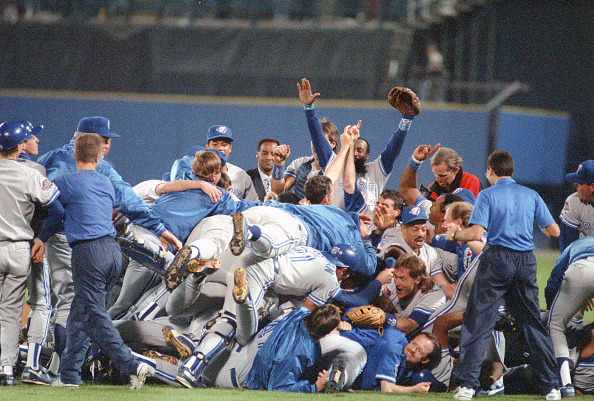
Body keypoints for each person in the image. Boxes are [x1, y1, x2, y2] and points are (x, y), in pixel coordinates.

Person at [37, 116, 181, 376]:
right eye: (105, 141)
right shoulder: (103, 172)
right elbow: (129, 200)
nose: (107, 146)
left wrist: (38, 236)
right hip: (104, 248)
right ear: (96, 145)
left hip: (67, 242)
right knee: (82, 308)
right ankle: (75, 372)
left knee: (75, 307)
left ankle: (74, 370)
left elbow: (42, 202)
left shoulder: (49, 160)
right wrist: (159, 228)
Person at [448, 151, 561, 401]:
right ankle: (552, 387)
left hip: (497, 258)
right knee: (532, 324)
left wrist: (456, 234)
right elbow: (553, 231)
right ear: (510, 170)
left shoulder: (488, 195)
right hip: (525, 261)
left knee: (479, 323)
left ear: (490, 170)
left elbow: (476, 233)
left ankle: (467, 385)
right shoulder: (531, 195)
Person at [0, 121, 61, 386]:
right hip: (18, 249)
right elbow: (58, 210)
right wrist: (41, 237)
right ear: (19, 146)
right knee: (11, 311)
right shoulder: (30, 174)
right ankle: (6, 369)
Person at [544, 235, 594, 397]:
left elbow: (555, 278)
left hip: (580, 271)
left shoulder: (576, 244)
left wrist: (551, 307)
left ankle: (566, 385)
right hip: (582, 272)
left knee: (556, 325)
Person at [381, 254, 445, 334]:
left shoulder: (434, 295)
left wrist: (381, 316)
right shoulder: (395, 283)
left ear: (417, 279)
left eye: (402, 278)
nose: (396, 283)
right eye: (395, 277)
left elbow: (410, 326)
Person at [204, 125, 259, 201]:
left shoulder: (242, 176)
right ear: (207, 147)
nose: (220, 148)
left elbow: (252, 207)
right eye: (215, 144)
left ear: (230, 148)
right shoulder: (196, 174)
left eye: (224, 145)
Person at [559, 160, 594, 251]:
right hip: (584, 257)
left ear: (592, 187)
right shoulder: (574, 201)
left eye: (580, 182)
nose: (575, 185)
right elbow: (567, 247)